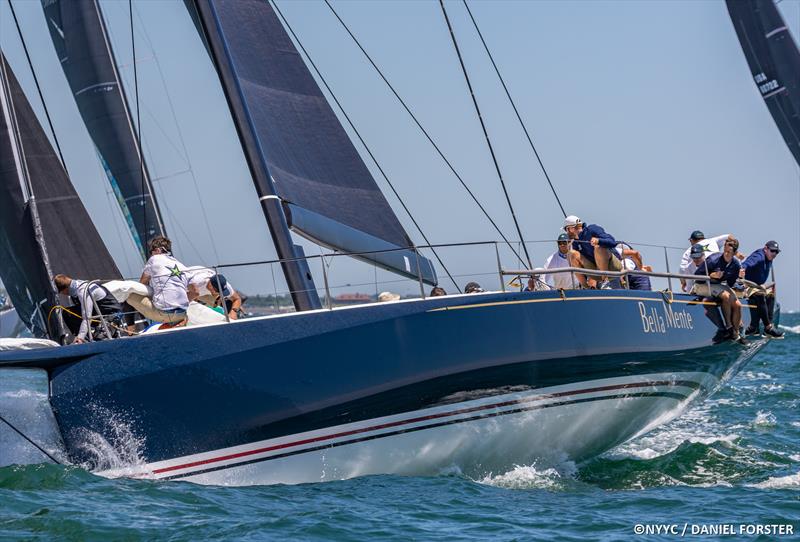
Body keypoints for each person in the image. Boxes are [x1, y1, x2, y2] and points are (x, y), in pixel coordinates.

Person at [693, 237, 745, 344]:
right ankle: (729, 328)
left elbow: (730, 283)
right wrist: (712, 275)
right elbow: (697, 276)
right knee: (725, 296)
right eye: (725, 251)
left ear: (734, 253)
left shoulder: (735, 264)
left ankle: (736, 333)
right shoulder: (713, 260)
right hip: (703, 284)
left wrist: (739, 278)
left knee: (738, 305)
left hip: (718, 285)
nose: (726, 254)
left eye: (729, 252)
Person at [126, 236, 189, 324]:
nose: (151, 255)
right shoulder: (180, 265)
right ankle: (176, 322)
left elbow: (141, 284)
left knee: (130, 295)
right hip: (183, 313)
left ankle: (131, 328)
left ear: (158, 250)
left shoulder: (154, 259)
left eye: (151, 252)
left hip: (165, 314)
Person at [54, 274, 122, 344]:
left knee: (99, 339)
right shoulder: (75, 290)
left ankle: (82, 340)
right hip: (98, 313)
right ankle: (84, 339)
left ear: (65, 289)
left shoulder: (83, 291)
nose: (64, 295)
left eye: (62, 293)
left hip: (111, 314)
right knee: (68, 313)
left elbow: (87, 316)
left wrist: (81, 337)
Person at [563, 215, 622, 289]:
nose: (566, 233)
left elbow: (612, 242)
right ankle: (585, 287)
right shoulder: (575, 242)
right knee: (571, 254)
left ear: (571, 228)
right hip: (595, 271)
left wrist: (599, 241)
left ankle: (605, 281)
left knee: (598, 247)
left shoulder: (592, 229)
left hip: (612, 267)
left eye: (566, 229)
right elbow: (579, 265)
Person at [741, 240, 783, 338]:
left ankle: (764, 328)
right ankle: (767, 327)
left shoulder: (769, 257)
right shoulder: (759, 257)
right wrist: (741, 270)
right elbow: (745, 265)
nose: (774, 254)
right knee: (759, 295)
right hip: (747, 285)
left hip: (757, 286)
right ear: (765, 249)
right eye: (772, 251)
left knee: (771, 295)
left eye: (776, 252)